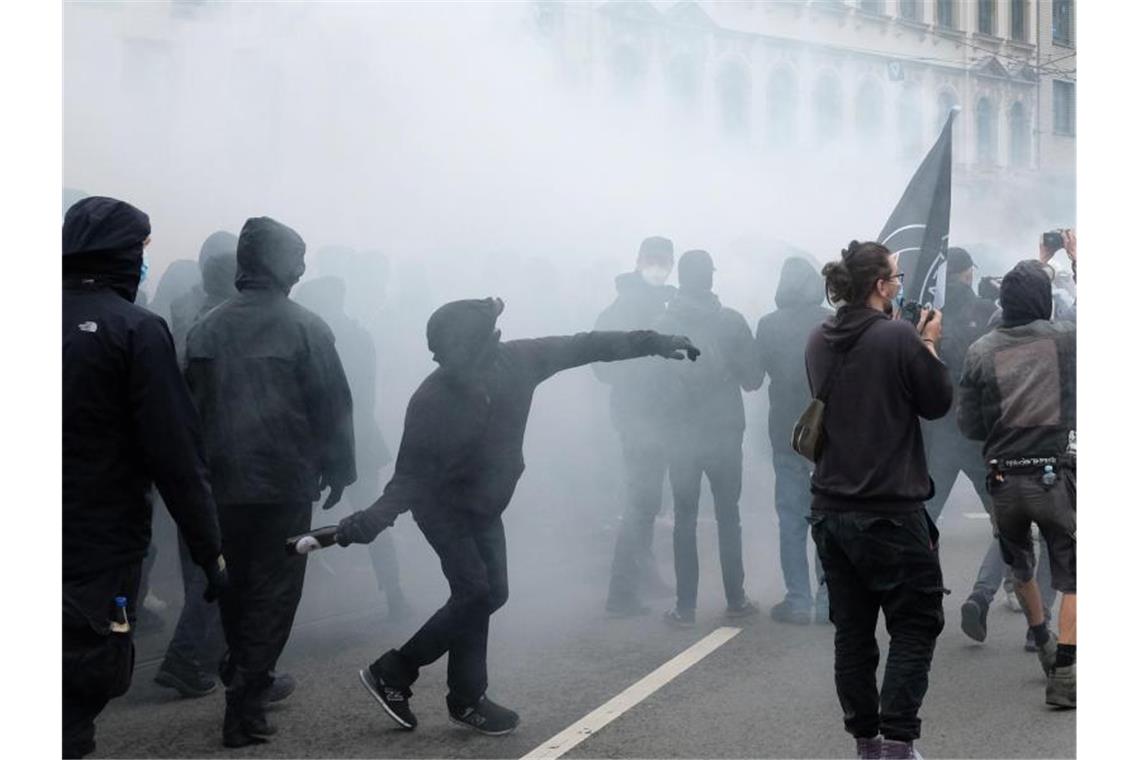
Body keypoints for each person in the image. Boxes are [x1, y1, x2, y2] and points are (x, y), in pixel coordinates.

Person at [335, 297, 700, 736]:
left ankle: (464, 698)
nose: (444, 364)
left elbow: (585, 345)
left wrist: (653, 342)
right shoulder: (431, 398)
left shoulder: (521, 360)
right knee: (473, 592)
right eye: (439, 356)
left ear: (491, 343)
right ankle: (398, 672)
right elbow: (409, 477)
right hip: (442, 508)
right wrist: (375, 518)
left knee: (491, 594)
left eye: (454, 355)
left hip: (486, 504)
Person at [63, 197, 227, 758]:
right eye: (141, 253)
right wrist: (210, 550)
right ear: (124, 257)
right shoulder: (134, 330)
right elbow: (176, 454)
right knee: (74, 694)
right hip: (94, 550)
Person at [184, 216, 357, 747]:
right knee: (277, 592)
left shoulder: (206, 328)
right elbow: (333, 406)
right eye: (298, 257)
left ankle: (244, 675)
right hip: (284, 484)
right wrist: (340, 466)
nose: (304, 268)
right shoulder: (307, 327)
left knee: (235, 588)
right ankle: (246, 701)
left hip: (223, 484)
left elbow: (188, 410)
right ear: (278, 263)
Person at [805, 240, 952, 760]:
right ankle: (897, 741)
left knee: (853, 631)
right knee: (915, 622)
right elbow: (937, 402)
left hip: (830, 510)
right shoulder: (897, 337)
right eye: (896, 275)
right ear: (879, 286)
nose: (900, 282)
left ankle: (867, 742)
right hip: (889, 508)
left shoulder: (818, 339)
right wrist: (928, 343)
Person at [957, 246, 1077, 709]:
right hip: (1056, 478)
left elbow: (969, 425)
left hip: (1004, 481)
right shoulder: (1067, 339)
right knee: (1074, 577)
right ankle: (1065, 672)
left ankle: (1041, 638)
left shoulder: (981, 350)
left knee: (1021, 565)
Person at [656, 249, 762, 627]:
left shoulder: (663, 323)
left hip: (680, 434)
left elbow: (651, 382)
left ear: (681, 279)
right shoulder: (731, 322)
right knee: (728, 516)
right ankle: (736, 599)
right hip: (724, 432)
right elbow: (753, 379)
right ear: (711, 279)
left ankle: (685, 607)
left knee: (684, 518)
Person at [154, 230, 239, 699]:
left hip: (186, 452)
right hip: (215, 455)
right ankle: (187, 657)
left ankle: (218, 657)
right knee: (218, 558)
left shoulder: (183, 310)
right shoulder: (217, 322)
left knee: (203, 561)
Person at [295, 276, 408, 620]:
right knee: (373, 519)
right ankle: (395, 596)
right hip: (359, 439)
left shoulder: (314, 337)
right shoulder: (356, 335)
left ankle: (286, 608)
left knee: (299, 524)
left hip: (325, 441)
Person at [595, 236, 677, 616]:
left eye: (666, 260)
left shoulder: (665, 303)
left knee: (649, 501)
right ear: (640, 260)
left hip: (659, 417)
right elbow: (600, 367)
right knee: (640, 502)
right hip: (637, 417)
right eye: (654, 259)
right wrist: (643, 366)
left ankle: (644, 576)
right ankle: (621, 593)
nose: (660, 267)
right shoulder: (622, 308)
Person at [753, 256, 833, 625]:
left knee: (791, 520)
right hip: (828, 437)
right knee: (827, 518)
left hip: (787, 435)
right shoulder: (830, 323)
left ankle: (798, 600)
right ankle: (827, 600)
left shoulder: (768, 325)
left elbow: (754, 376)